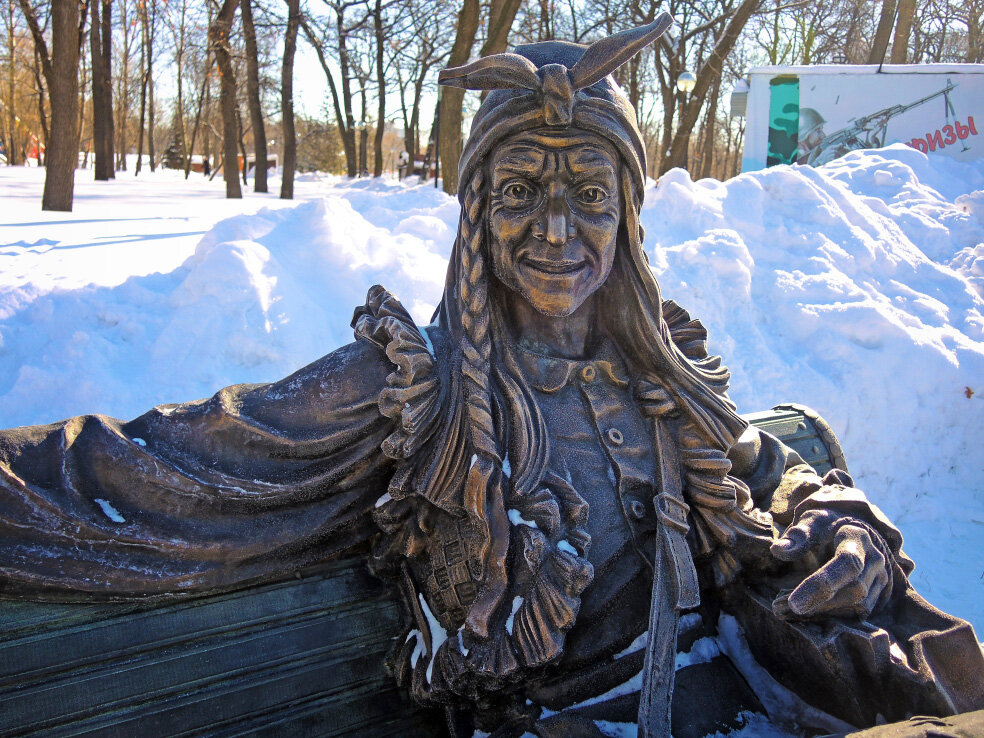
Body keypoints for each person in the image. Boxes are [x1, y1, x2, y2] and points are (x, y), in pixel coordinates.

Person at [1, 19, 982, 738]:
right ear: (475, 218)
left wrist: (834, 526)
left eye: (588, 194)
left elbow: (768, 474)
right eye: (518, 192)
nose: (556, 232)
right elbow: (148, 469)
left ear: (627, 218)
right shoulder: (414, 391)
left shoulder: (663, 368)